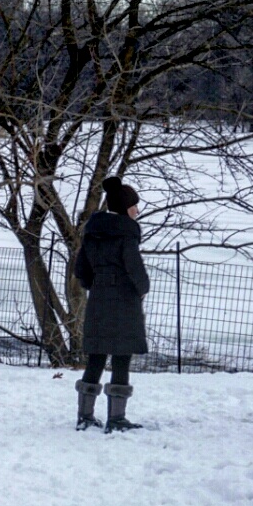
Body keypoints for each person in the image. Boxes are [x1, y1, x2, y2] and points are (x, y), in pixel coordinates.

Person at [73, 176, 150, 433]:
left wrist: (95, 285)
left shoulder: (93, 232)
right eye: (135, 206)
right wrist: (142, 288)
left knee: (96, 355)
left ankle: (85, 416)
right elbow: (134, 268)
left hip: (98, 297)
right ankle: (116, 419)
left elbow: (81, 268)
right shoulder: (126, 233)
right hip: (123, 298)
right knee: (120, 354)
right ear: (126, 207)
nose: (137, 211)